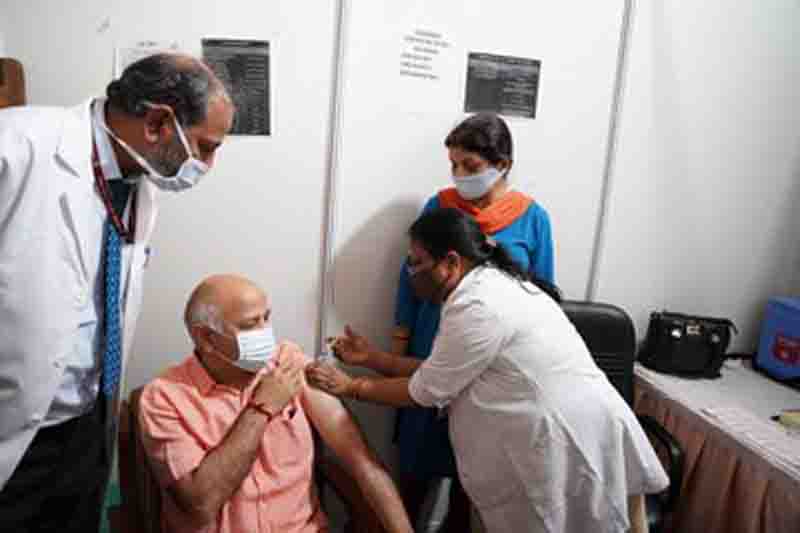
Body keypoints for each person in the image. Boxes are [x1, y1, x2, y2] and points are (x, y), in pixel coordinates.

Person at [308, 208, 669, 533]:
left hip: (565, 442)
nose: (410, 274)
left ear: (451, 262)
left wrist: (351, 387)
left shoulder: (477, 305)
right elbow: (446, 370)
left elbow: (425, 390)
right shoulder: (493, 287)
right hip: (573, 431)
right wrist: (372, 358)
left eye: (416, 263)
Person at [0, 53, 235, 531]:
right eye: (206, 147)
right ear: (157, 124)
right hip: (11, 423)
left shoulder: (138, 183)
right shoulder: (16, 146)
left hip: (85, 427)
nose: (208, 165)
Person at [138, 274, 413, 533]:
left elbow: (361, 460)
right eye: (250, 325)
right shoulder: (164, 397)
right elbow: (200, 505)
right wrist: (261, 409)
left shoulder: (287, 364)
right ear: (206, 338)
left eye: (266, 318)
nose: (265, 333)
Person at [390, 112, 555, 530]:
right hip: (432, 344)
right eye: (454, 165)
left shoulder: (533, 218)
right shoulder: (440, 206)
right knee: (413, 469)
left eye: (471, 166)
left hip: (492, 366)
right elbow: (409, 275)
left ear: (503, 165)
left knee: (475, 476)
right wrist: (397, 344)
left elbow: (543, 295)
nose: (459, 175)